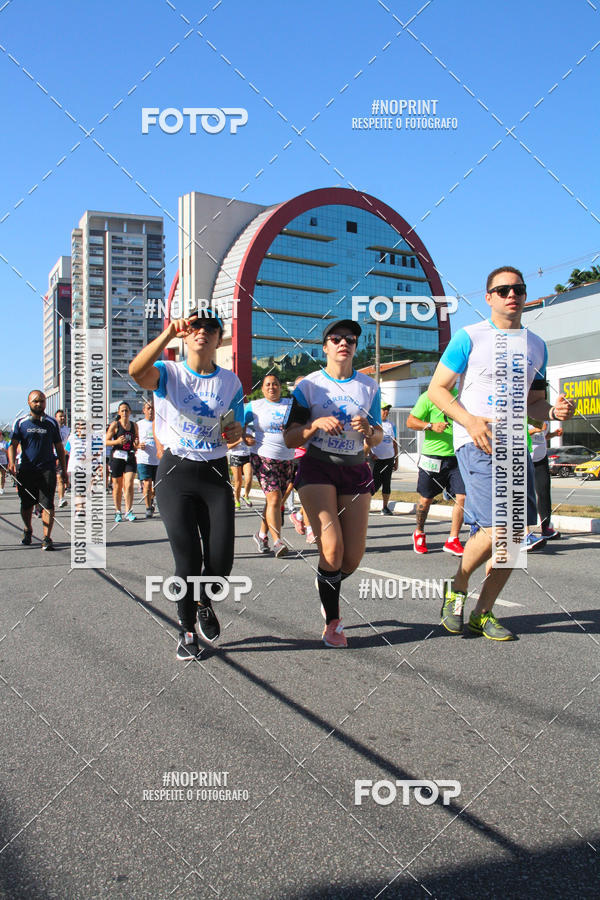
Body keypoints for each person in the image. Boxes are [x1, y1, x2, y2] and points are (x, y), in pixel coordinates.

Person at [428, 266, 575, 641]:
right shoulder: (469, 337)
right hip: (477, 440)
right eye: (503, 289)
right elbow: (438, 391)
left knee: (516, 536)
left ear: (525, 296)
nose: (512, 294)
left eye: (519, 289)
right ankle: (458, 585)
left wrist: (554, 412)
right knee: (498, 528)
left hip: (515, 442)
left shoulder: (537, 345)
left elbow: (535, 405)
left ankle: (482, 613)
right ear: (489, 297)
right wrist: (470, 421)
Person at [129, 309, 243, 659]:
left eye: (210, 327)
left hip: (215, 472)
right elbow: (136, 372)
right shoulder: (170, 372)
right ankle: (187, 629)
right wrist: (166, 335)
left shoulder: (231, 382)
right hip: (175, 471)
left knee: (221, 563)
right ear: (186, 334)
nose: (202, 332)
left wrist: (238, 432)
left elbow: (235, 430)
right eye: (194, 326)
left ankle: (205, 599)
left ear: (219, 338)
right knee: (188, 559)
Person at [284, 319, 383, 648]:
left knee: (351, 559)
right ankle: (333, 623)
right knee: (332, 548)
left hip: (355, 470)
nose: (344, 343)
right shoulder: (309, 387)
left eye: (351, 339)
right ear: (325, 347)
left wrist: (369, 431)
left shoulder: (368, 386)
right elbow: (289, 437)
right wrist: (314, 426)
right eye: (337, 339)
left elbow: (379, 433)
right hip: (317, 468)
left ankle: (327, 580)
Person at [406, 389, 466, 555]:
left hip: (457, 455)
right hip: (432, 456)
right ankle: (419, 532)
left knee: (462, 497)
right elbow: (410, 422)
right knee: (426, 500)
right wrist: (430, 426)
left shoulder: (461, 395)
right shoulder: (428, 396)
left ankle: (453, 539)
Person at [7, 390, 68, 550]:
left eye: (42, 401)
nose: (39, 404)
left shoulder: (51, 423)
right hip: (26, 470)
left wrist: (64, 469)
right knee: (26, 504)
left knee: (47, 504)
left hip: (47, 469)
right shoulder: (21, 423)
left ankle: (47, 538)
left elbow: (59, 447)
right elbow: (12, 445)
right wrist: (12, 462)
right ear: (29, 402)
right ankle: (28, 529)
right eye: (35, 401)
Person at [244, 374, 295, 558]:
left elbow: (301, 424)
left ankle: (262, 534)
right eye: (267, 385)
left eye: (275, 384)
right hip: (263, 457)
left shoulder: (290, 405)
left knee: (274, 500)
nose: (271, 387)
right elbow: (239, 426)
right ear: (262, 388)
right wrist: (246, 436)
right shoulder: (254, 406)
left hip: (287, 458)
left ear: (280, 387)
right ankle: (278, 542)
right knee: (274, 499)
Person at [526, 419, 563, 548]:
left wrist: (553, 434)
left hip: (541, 458)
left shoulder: (544, 418)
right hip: (524, 457)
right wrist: (534, 430)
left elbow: (542, 436)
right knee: (525, 494)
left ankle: (546, 528)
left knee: (544, 492)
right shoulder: (523, 413)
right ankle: (525, 534)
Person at [106, 402, 138, 523]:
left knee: (129, 483)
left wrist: (136, 444)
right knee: (117, 486)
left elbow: (136, 440)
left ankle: (129, 511)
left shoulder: (134, 426)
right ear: (119, 413)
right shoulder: (115, 425)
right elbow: (105, 441)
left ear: (130, 412)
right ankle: (118, 511)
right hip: (117, 456)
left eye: (126, 410)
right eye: (122, 411)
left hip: (129, 456)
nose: (124, 413)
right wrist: (117, 441)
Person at [369, 402, 399, 516]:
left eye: (387, 410)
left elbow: (394, 443)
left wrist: (396, 460)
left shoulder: (391, 425)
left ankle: (385, 507)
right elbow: (365, 441)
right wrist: (370, 455)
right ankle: (365, 503)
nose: (386, 412)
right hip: (376, 459)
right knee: (374, 483)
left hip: (389, 458)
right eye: (383, 409)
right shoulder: (373, 424)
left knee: (387, 483)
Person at [136, 400, 159, 517]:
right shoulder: (138, 425)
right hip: (144, 459)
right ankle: (148, 507)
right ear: (144, 410)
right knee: (147, 484)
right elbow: (134, 441)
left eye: (153, 408)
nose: (151, 410)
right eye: (148, 408)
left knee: (157, 486)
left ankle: (151, 499)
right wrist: (138, 445)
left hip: (158, 459)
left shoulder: (160, 423)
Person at [228, 437, 253, 509]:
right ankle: (237, 500)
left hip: (247, 456)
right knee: (238, 482)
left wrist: (251, 441)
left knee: (249, 479)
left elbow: (253, 442)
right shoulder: (233, 431)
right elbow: (228, 446)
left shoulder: (249, 429)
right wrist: (240, 440)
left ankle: (246, 495)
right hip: (235, 456)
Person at [55, 409, 70, 508]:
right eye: (60, 416)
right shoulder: (51, 428)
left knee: (60, 477)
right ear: (56, 417)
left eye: (64, 416)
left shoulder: (68, 430)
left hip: (63, 455)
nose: (62, 418)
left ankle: (61, 499)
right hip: (51, 455)